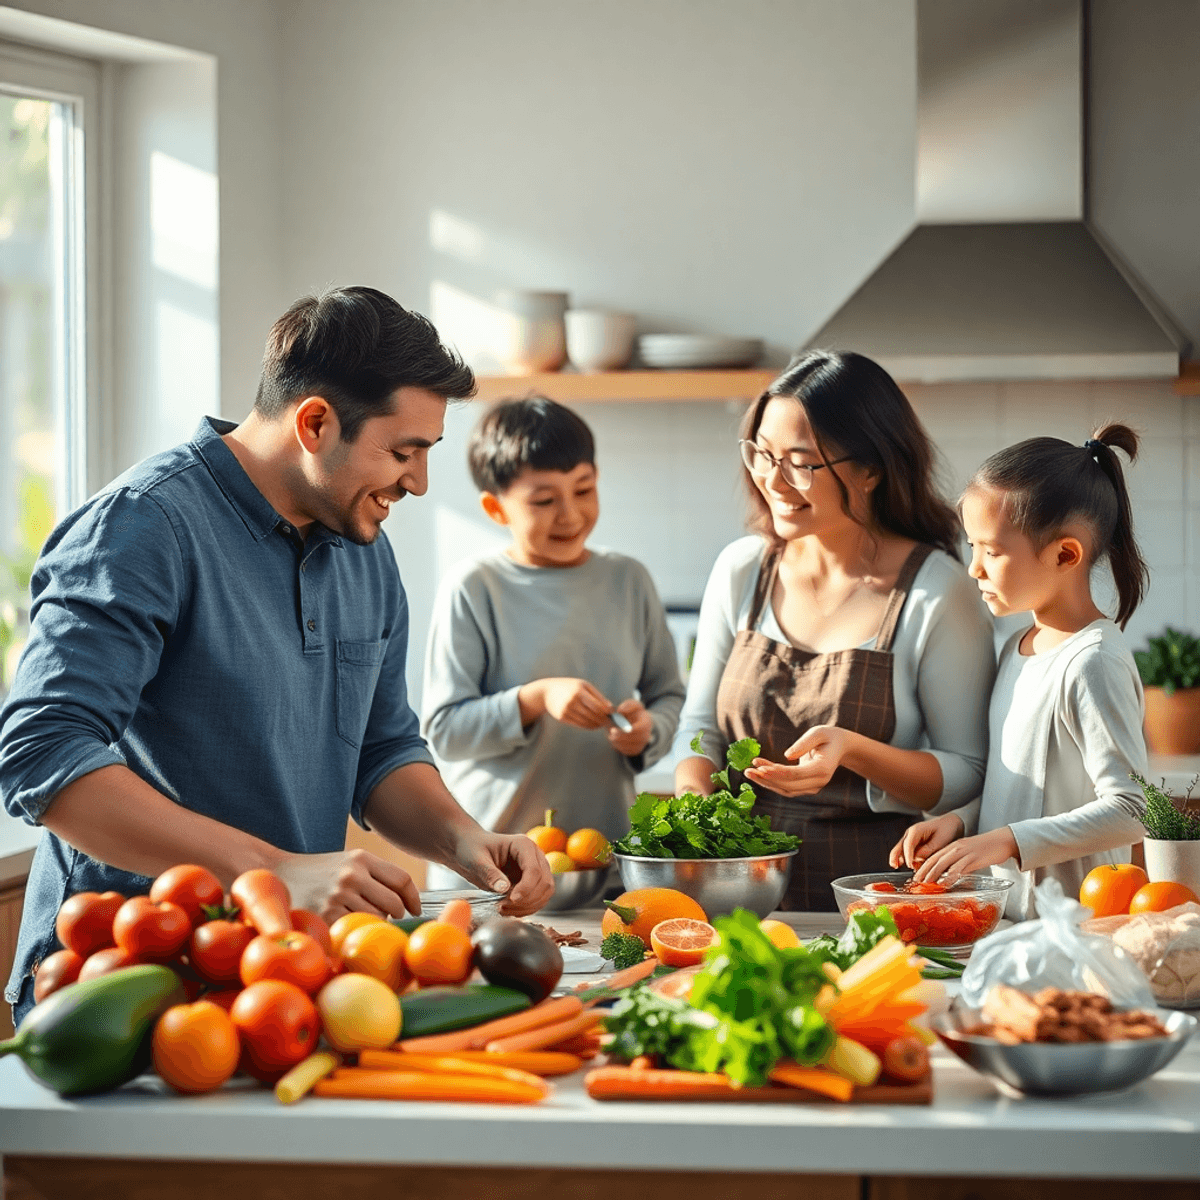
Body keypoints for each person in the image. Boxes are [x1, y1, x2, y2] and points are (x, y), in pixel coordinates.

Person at [1, 286, 553, 1027]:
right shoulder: (142, 527)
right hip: (120, 984)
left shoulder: (366, 553)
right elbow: (41, 752)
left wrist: (464, 839)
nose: (418, 482)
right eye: (403, 452)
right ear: (316, 422)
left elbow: (381, 746)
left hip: (280, 979)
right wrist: (274, 873)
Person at [673, 350, 994, 911]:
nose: (773, 480)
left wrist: (852, 750)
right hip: (738, 895)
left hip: (875, 903)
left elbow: (967, 773)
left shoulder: (936, 592)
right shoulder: (743, 570)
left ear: (870, 469)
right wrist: (694, 800)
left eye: (800, 462)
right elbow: (699, 727)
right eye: (762, 455)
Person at [421, 396, 685, 888]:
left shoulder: (629, 580)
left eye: (583, 489)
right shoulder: (474, 588)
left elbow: (669, 695)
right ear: (495, 508)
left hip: (601, 864)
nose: (570, 514)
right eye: (543, 500)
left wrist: (647, 733)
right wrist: (535, 698)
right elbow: (444, 730)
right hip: (489, 869)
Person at [890, 425, 1149, 920]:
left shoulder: (1093, 662)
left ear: (1064, 555)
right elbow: (1024, 792)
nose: (973, 569)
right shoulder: (1016, 648)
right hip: (1008, 921)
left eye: (992, 551)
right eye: (972, 547)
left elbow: (1132, 809)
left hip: (1075, 929)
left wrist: (1007, 841)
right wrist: (963, 824)